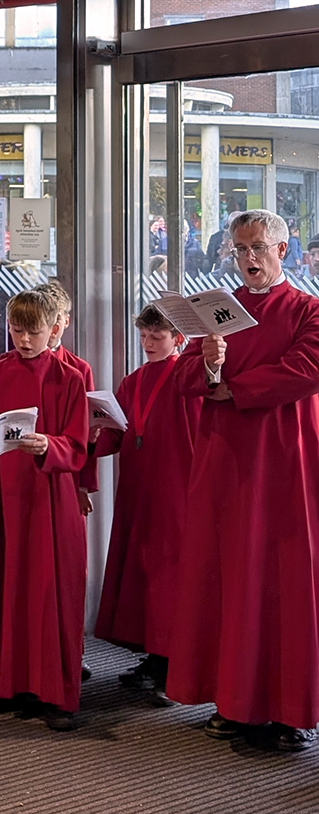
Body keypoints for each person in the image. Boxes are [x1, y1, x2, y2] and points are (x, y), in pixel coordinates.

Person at [167, 209, 319, 751]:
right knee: (227, 575)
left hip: (283, 460)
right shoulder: (218, 310)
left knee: (282, 580)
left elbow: (308, 368)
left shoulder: (307, 308)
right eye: (239, 249)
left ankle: (287, 709)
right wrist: (209, 366)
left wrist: (233, 388)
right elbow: (184, 377)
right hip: (227, 458)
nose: (248, 258)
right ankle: (233, 700)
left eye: (258, 247)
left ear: (283, 250)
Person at [0, 289, 89, 730]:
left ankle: (53, 691)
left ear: (54, 328)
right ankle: (1, 684)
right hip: (1, 497)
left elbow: (78, 447)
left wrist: (48, 445)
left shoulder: (70, 379)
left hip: (49, 499)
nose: (23, 338)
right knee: (1, 589)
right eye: (17, 329)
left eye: (33, 331)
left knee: (49, 591)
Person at [93, 305, 200, 704]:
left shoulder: (186, 379)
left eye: (158, 337)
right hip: (138, 487)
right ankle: (154, 657)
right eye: (144, 336)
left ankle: (171, 663)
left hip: (176, 487)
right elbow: (117, 435)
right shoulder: (131, 381)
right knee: (141, 570)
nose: (149, 343)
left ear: (177, 339)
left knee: (169, 575)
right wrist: (89, 437)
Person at [39, 281, 99, 519]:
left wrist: (84, 486)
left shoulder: (79, 369)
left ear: (66, 320)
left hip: (67, 472)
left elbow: (87, 433)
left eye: (58, 319)